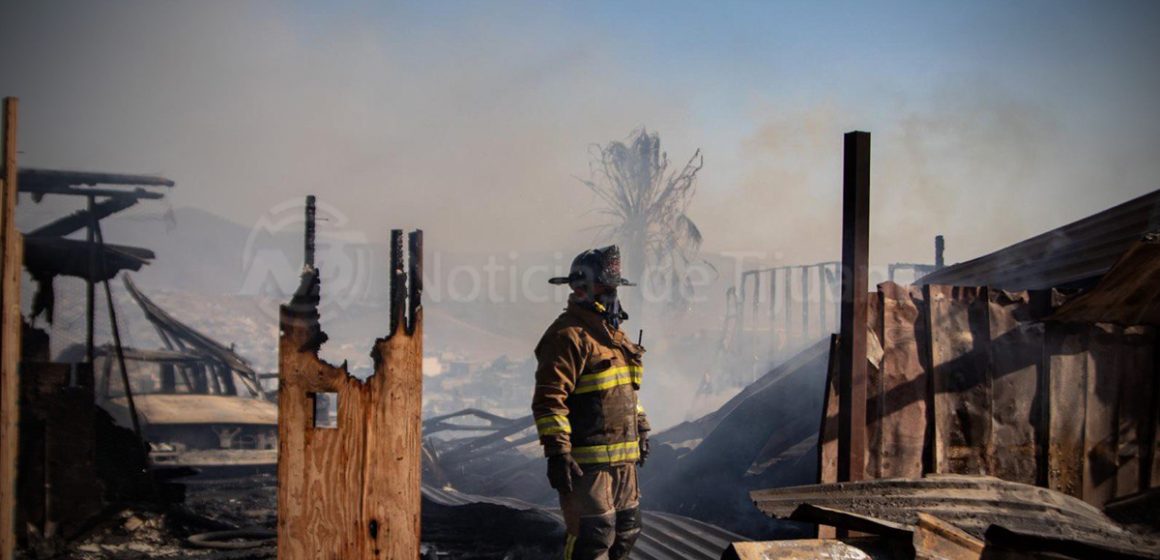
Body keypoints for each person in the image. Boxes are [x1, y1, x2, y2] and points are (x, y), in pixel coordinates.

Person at [532, 245, 650, 560]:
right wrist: (558, 452)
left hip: (624, 461)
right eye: (604, 286)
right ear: (579, 288)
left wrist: (641, 427)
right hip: (588, 466)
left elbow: (625, 392)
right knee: (592, 539)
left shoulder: (615, 339)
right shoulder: (567, 336)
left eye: (614, 286)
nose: (612, 293)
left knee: (627, 533)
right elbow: (549, 400)